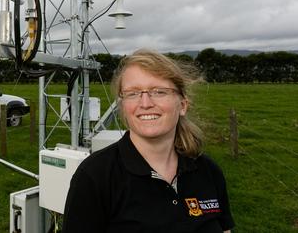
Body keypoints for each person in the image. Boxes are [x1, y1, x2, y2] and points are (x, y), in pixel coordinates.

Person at [63, 49, 234, 232]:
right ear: (123, 106)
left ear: (182, 105)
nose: (145, 104)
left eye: (159, 91)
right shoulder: (94, 177)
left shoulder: (208, 171)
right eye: (133, 93)